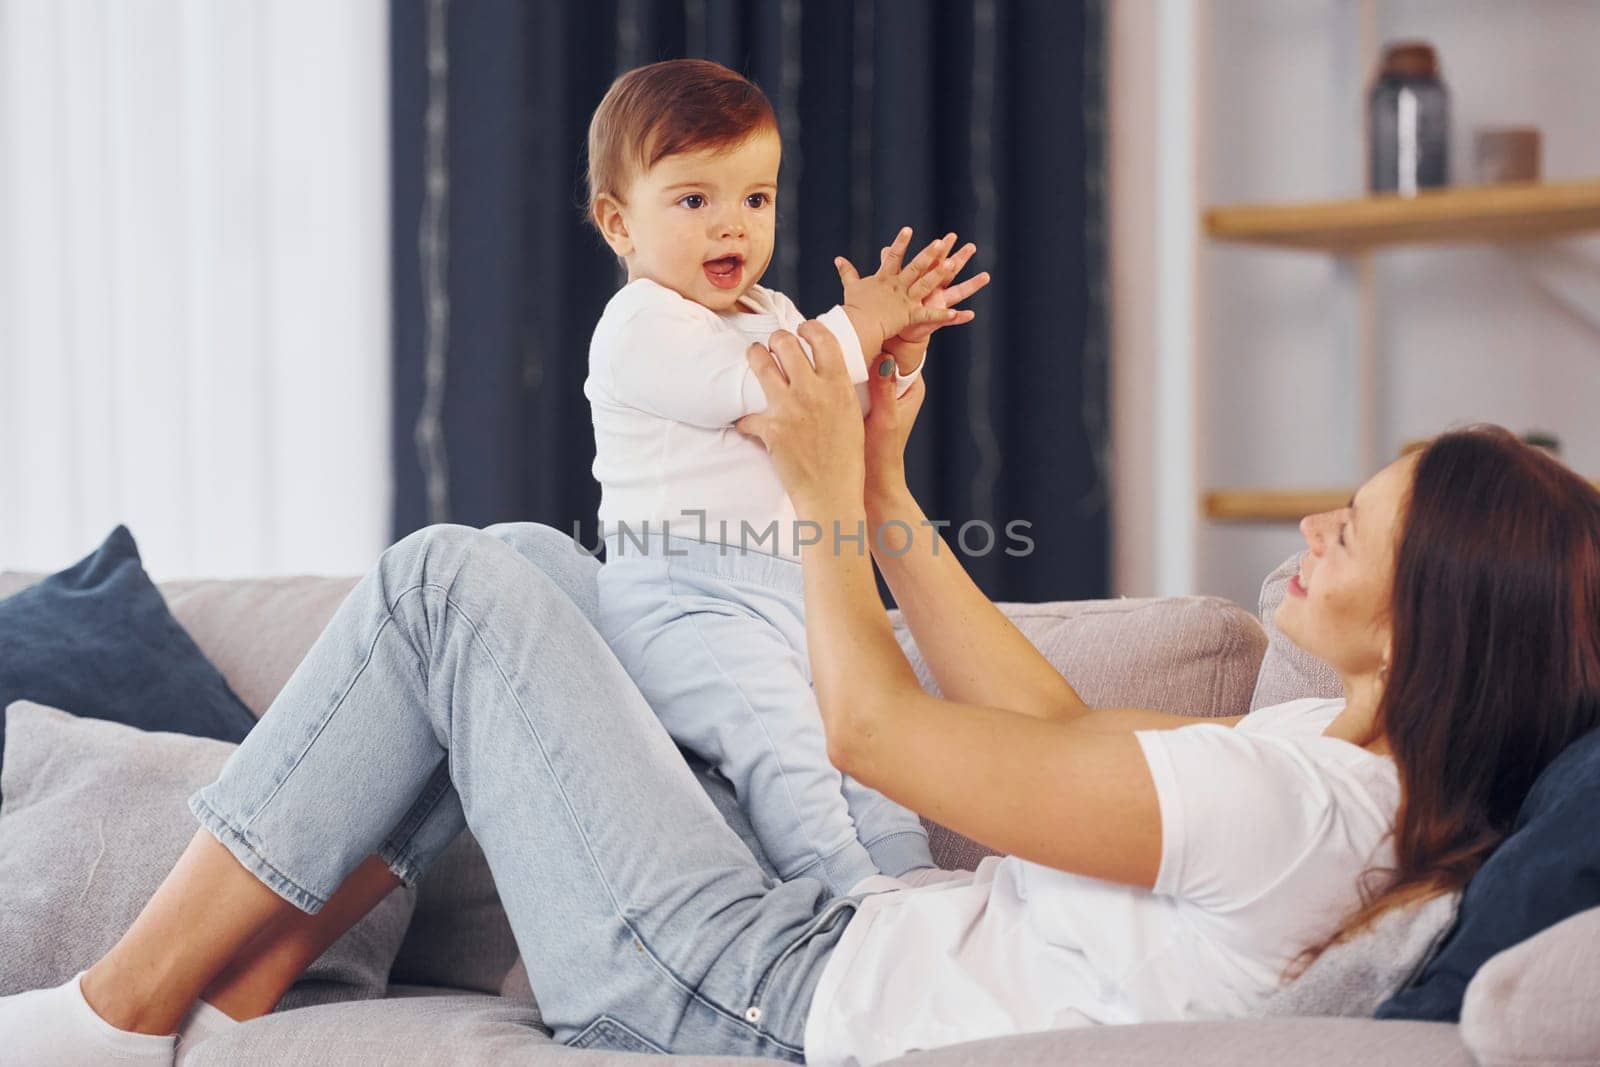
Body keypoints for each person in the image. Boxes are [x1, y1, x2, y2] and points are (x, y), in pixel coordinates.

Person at [2, 260, 1598, 1067]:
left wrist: (819, 487)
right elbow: (1040, 720)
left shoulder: (1295, 799)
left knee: (441, 581)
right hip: (813, 948)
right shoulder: (1337, 772)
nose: (1317, 519)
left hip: (758, 1005)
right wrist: (890, 482)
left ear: (1439, 614)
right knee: (550, 569)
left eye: (1362, 524)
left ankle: (118, 1011)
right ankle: (266, 961)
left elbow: (875, 726)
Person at [581, 57, 989, 899]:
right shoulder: (639, 325)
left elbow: (837, 413)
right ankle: (842, 886)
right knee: (785, 741)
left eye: (755, 198)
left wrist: (894, 358)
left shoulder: (772, 313)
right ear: (619, 224)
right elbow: (776, 392)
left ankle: (913, 872)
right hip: (682, 597)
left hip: (790, 588)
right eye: (695, 200)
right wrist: (862, 319)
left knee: (863, 728)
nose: (731, 226)